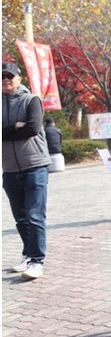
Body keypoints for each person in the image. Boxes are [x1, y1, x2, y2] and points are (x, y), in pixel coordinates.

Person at [2, 61, 51, 280]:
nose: (6, 80)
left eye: (10, 76)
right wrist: (14, 127)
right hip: (10, 169)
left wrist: (8, 132)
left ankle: (37, 261)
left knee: (34, 215)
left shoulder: (32, 100)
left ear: (19, 78)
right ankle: (27, 254)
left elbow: (32, 127)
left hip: (35, 165)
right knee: (20, 218)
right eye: (2, 77)